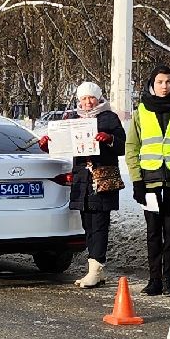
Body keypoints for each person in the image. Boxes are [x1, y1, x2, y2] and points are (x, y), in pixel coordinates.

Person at [126, 66, 170, 296]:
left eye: (168, 81)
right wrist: (137, 181)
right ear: (151, 84)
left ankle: (168, 281)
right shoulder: (141, 111)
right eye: (159, 82)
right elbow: (131, 148)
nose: (164, 86)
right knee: (153, 232)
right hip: (150, 183)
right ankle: (154, 279)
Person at [57, 80, 126, 287]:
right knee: (87, 223)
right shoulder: (72, 118)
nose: (87, 102)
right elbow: (61, 144)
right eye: (84, 98)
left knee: (99, 224)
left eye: (91, 98)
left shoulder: (109, 117)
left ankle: (96, 267)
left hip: (101, 178)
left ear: (99, 98)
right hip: (81, 179)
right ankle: (95, 268)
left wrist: (109, 139)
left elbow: (122, 145)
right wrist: (49, 143)